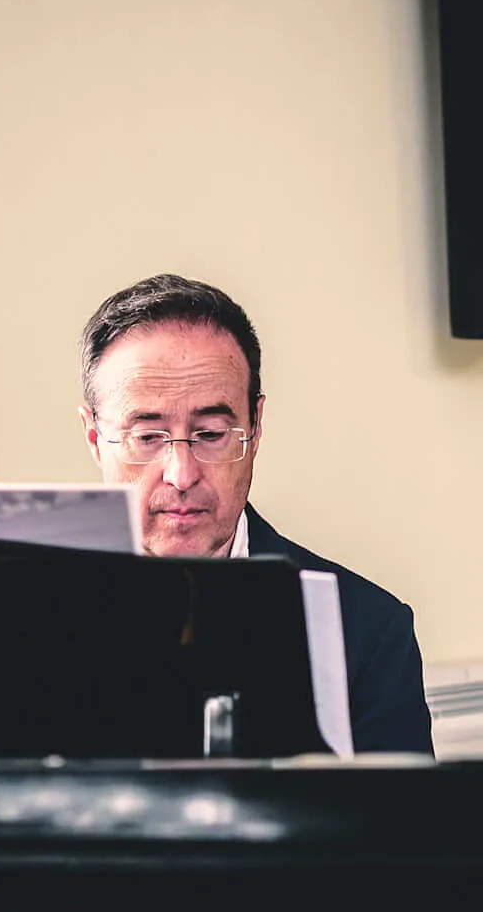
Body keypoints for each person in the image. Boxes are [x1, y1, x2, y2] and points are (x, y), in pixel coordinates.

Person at [78, 273, 433, 755]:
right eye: (147, 437)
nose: (181, 475)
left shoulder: (370, 630)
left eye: (210, 434)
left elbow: (400, 809)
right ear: (95, 438)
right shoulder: (26, 613)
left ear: (255, 426)